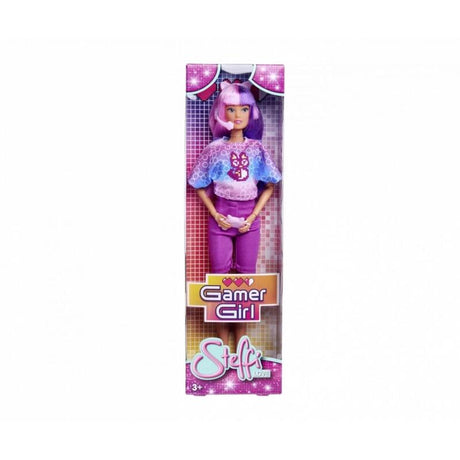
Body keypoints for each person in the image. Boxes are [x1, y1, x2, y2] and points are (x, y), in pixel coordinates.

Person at [188, 80, 281, 348]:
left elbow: (270, 185)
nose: (237, 115)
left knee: (246, 279)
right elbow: (198, 185)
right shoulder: (214, 149)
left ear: (251, 113)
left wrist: (252, 217)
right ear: (222, 112)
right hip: (221, 217)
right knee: (219, 277)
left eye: (243, 109)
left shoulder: (256, 149)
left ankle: (241, 342)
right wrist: (215, 213)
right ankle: (220, 343)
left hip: (249, 219)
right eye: (231, 109)